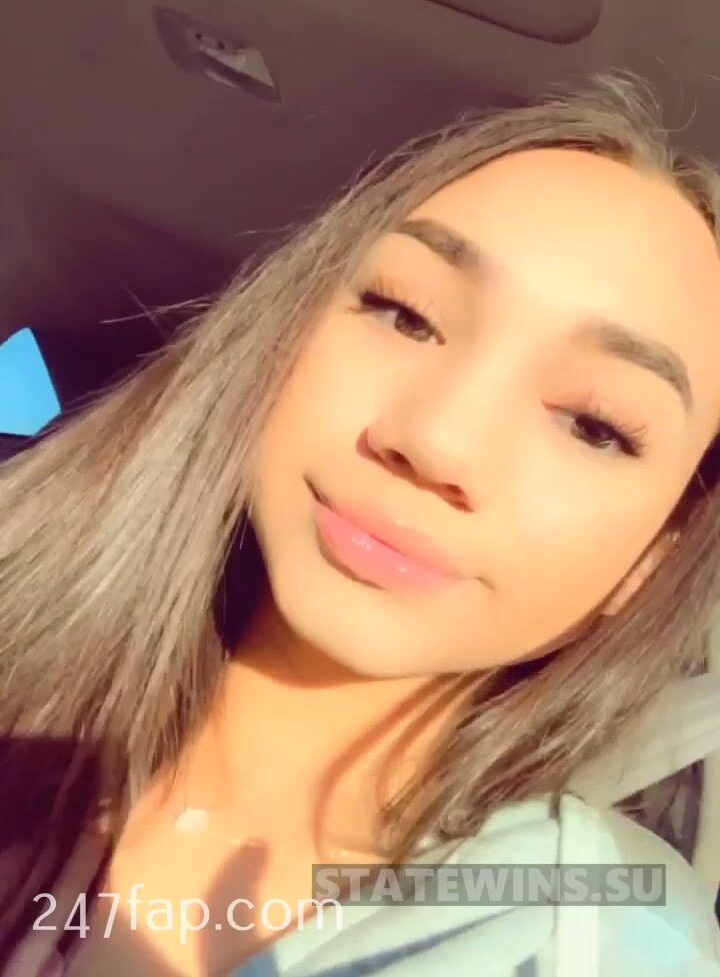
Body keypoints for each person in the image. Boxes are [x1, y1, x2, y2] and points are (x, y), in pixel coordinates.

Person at [2, 72, 720, 976]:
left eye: (594, 425)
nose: (436, 440)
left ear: (650, 561)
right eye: (404, 315)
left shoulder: (585, 938)